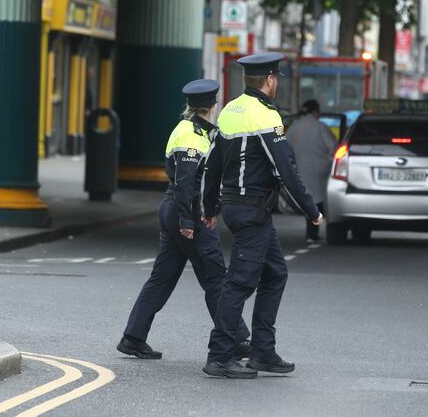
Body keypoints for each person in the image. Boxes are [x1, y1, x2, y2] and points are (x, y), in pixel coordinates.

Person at [201, 52, 324, 379]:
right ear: (270, 80)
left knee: (275, 273)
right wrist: (312, 210)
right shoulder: (265, 117)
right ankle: (220, 355)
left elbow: (212, 164)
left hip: (238, 206)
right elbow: (286, 170)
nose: (277, 83)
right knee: (239, 282)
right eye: (277, 79)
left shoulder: (230, 109)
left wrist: (209, 206)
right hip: (252, 209)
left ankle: (263, 352)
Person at [117, 79, 250, 360]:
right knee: (216, 277)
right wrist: (189, 222)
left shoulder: (186, 128)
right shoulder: (192, 136)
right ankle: (236, 338)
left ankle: (133, 336)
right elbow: (186, 183)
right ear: (212, 106)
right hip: (188, 211)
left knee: (162, 278)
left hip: (174, 208)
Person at [286, 99, 337, 242]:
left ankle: (311, 232)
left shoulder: (294, 127)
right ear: (315, 111)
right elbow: (333, 146)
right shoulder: (320, 127)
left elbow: (285, 146)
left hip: (301, 169)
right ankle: (314, 232)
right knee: (320, 200)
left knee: (309, 199)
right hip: (322, 169)